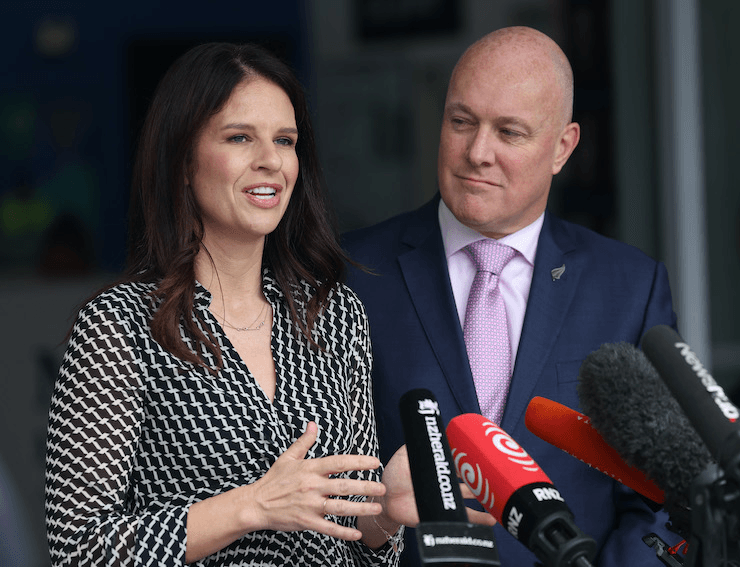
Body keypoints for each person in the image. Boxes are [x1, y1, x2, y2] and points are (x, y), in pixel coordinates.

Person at [44, 42, 437, 567]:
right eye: (239, 137)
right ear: (182, 161)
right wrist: (252, 505)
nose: (271, 161)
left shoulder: (336, 315)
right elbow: (79, 549)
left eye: (284, 140)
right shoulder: (118, 325)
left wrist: (384, 513)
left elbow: (360, 548)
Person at [343, 26, 681, 566]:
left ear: (562, 147)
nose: (478, 152)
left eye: (510, 132)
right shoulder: (348, 273)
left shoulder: (628, 288)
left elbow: (661, 500)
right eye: (461, 122)